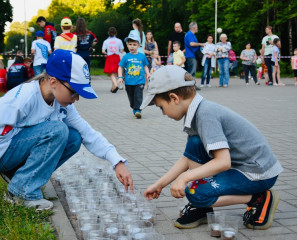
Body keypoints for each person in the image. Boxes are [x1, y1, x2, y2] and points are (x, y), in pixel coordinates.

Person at [0, 49, 134, 211]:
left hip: (13, 149)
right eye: (73, 92)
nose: (76, 99)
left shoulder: (61, 105)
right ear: (53, 82)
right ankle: (21, 192)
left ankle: (20, 176)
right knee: (58, 130)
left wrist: (117, 161)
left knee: (74, 138)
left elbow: (88, 133)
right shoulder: (25, 97)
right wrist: (4, 158)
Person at [141, 65, 282, 231]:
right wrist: (160, 184)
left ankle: (259, 197)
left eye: (161, 107)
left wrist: (185, 178)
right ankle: (203, 207)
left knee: (195, 193)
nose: (163, 113)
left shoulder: (205, 114)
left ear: (174, 98)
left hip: (257, 173)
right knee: (194, 144)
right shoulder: (197, 111)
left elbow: (223, 162)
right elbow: (189, 157)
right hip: (245, 166)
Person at [117, 32, 150, 119]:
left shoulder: (142, 56)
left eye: (134, 44)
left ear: (139, 45)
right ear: (127, 45)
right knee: (131, 98)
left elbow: (145, 66)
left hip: (140, 81)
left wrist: (148, 74)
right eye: (130, 44)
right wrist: (120, 77)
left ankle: (138, 110)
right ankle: (134, 107)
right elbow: (120, 67)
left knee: (138, 96)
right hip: (129, 82)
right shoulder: (126, 57)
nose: (132, 46)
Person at [102, 27, 124, 93]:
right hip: (116, 57)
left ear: (108, 33)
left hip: (110, 57)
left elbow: (103, 51)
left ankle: (116, 85)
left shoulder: (106, 41)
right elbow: (121, 50)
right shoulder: (119, 40)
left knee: (111, 73)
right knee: (115, 73)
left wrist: (107, 53)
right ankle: (113, 88)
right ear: (116, 33)